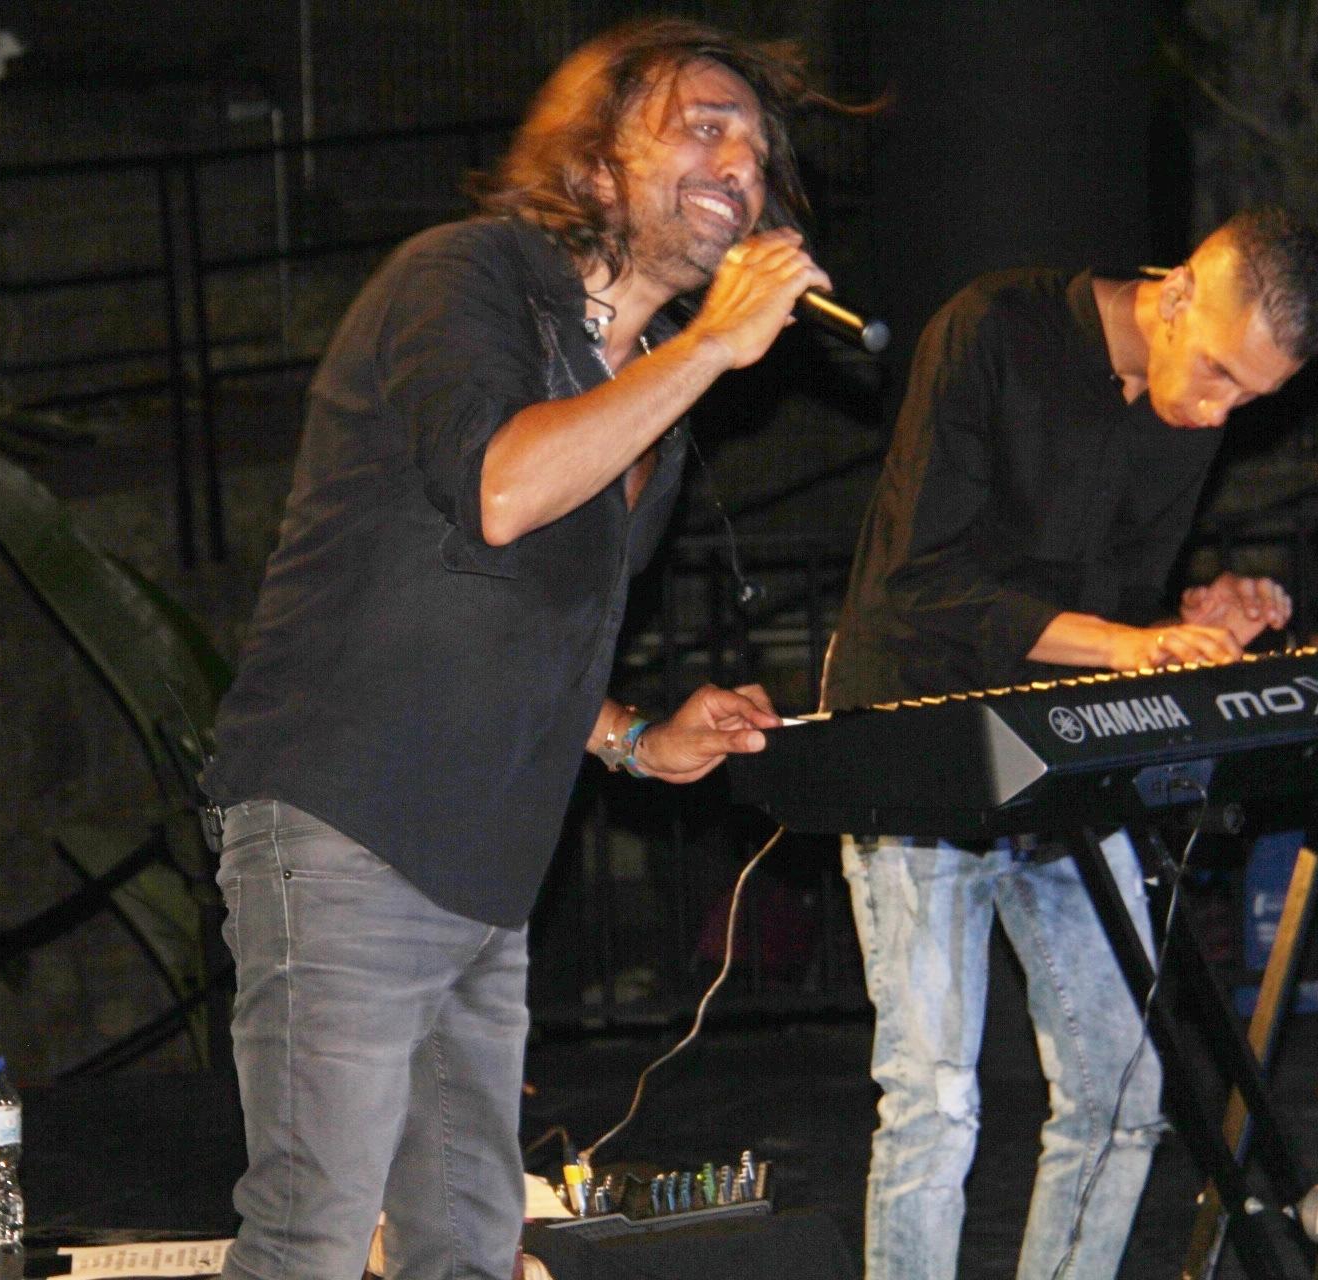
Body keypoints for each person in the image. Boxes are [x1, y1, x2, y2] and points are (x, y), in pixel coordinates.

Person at [200, 19, 859, 1280]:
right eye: (705, 127)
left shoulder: (653, 398)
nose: (742, 165)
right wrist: (714, 345)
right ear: (598, 165)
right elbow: (503, 490)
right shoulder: (464, 276)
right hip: (347, 823)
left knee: (468, 1245)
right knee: (311, 1241)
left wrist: (634, 738)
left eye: (757, 150)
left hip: (488, 875)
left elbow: (537, 624)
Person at [822, 206, 1318, 1280]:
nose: (1218, 411)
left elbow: (1117, 600)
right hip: (916, 738)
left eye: (1250, 398)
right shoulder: (992, 329)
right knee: (933, 1100)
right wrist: (1126, 643)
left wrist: (1196, 615)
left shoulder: (1188, 414)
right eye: (1217, 373)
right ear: (1177, 292)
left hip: (1063, 752)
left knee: (1123, 1090)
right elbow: (925, 582)